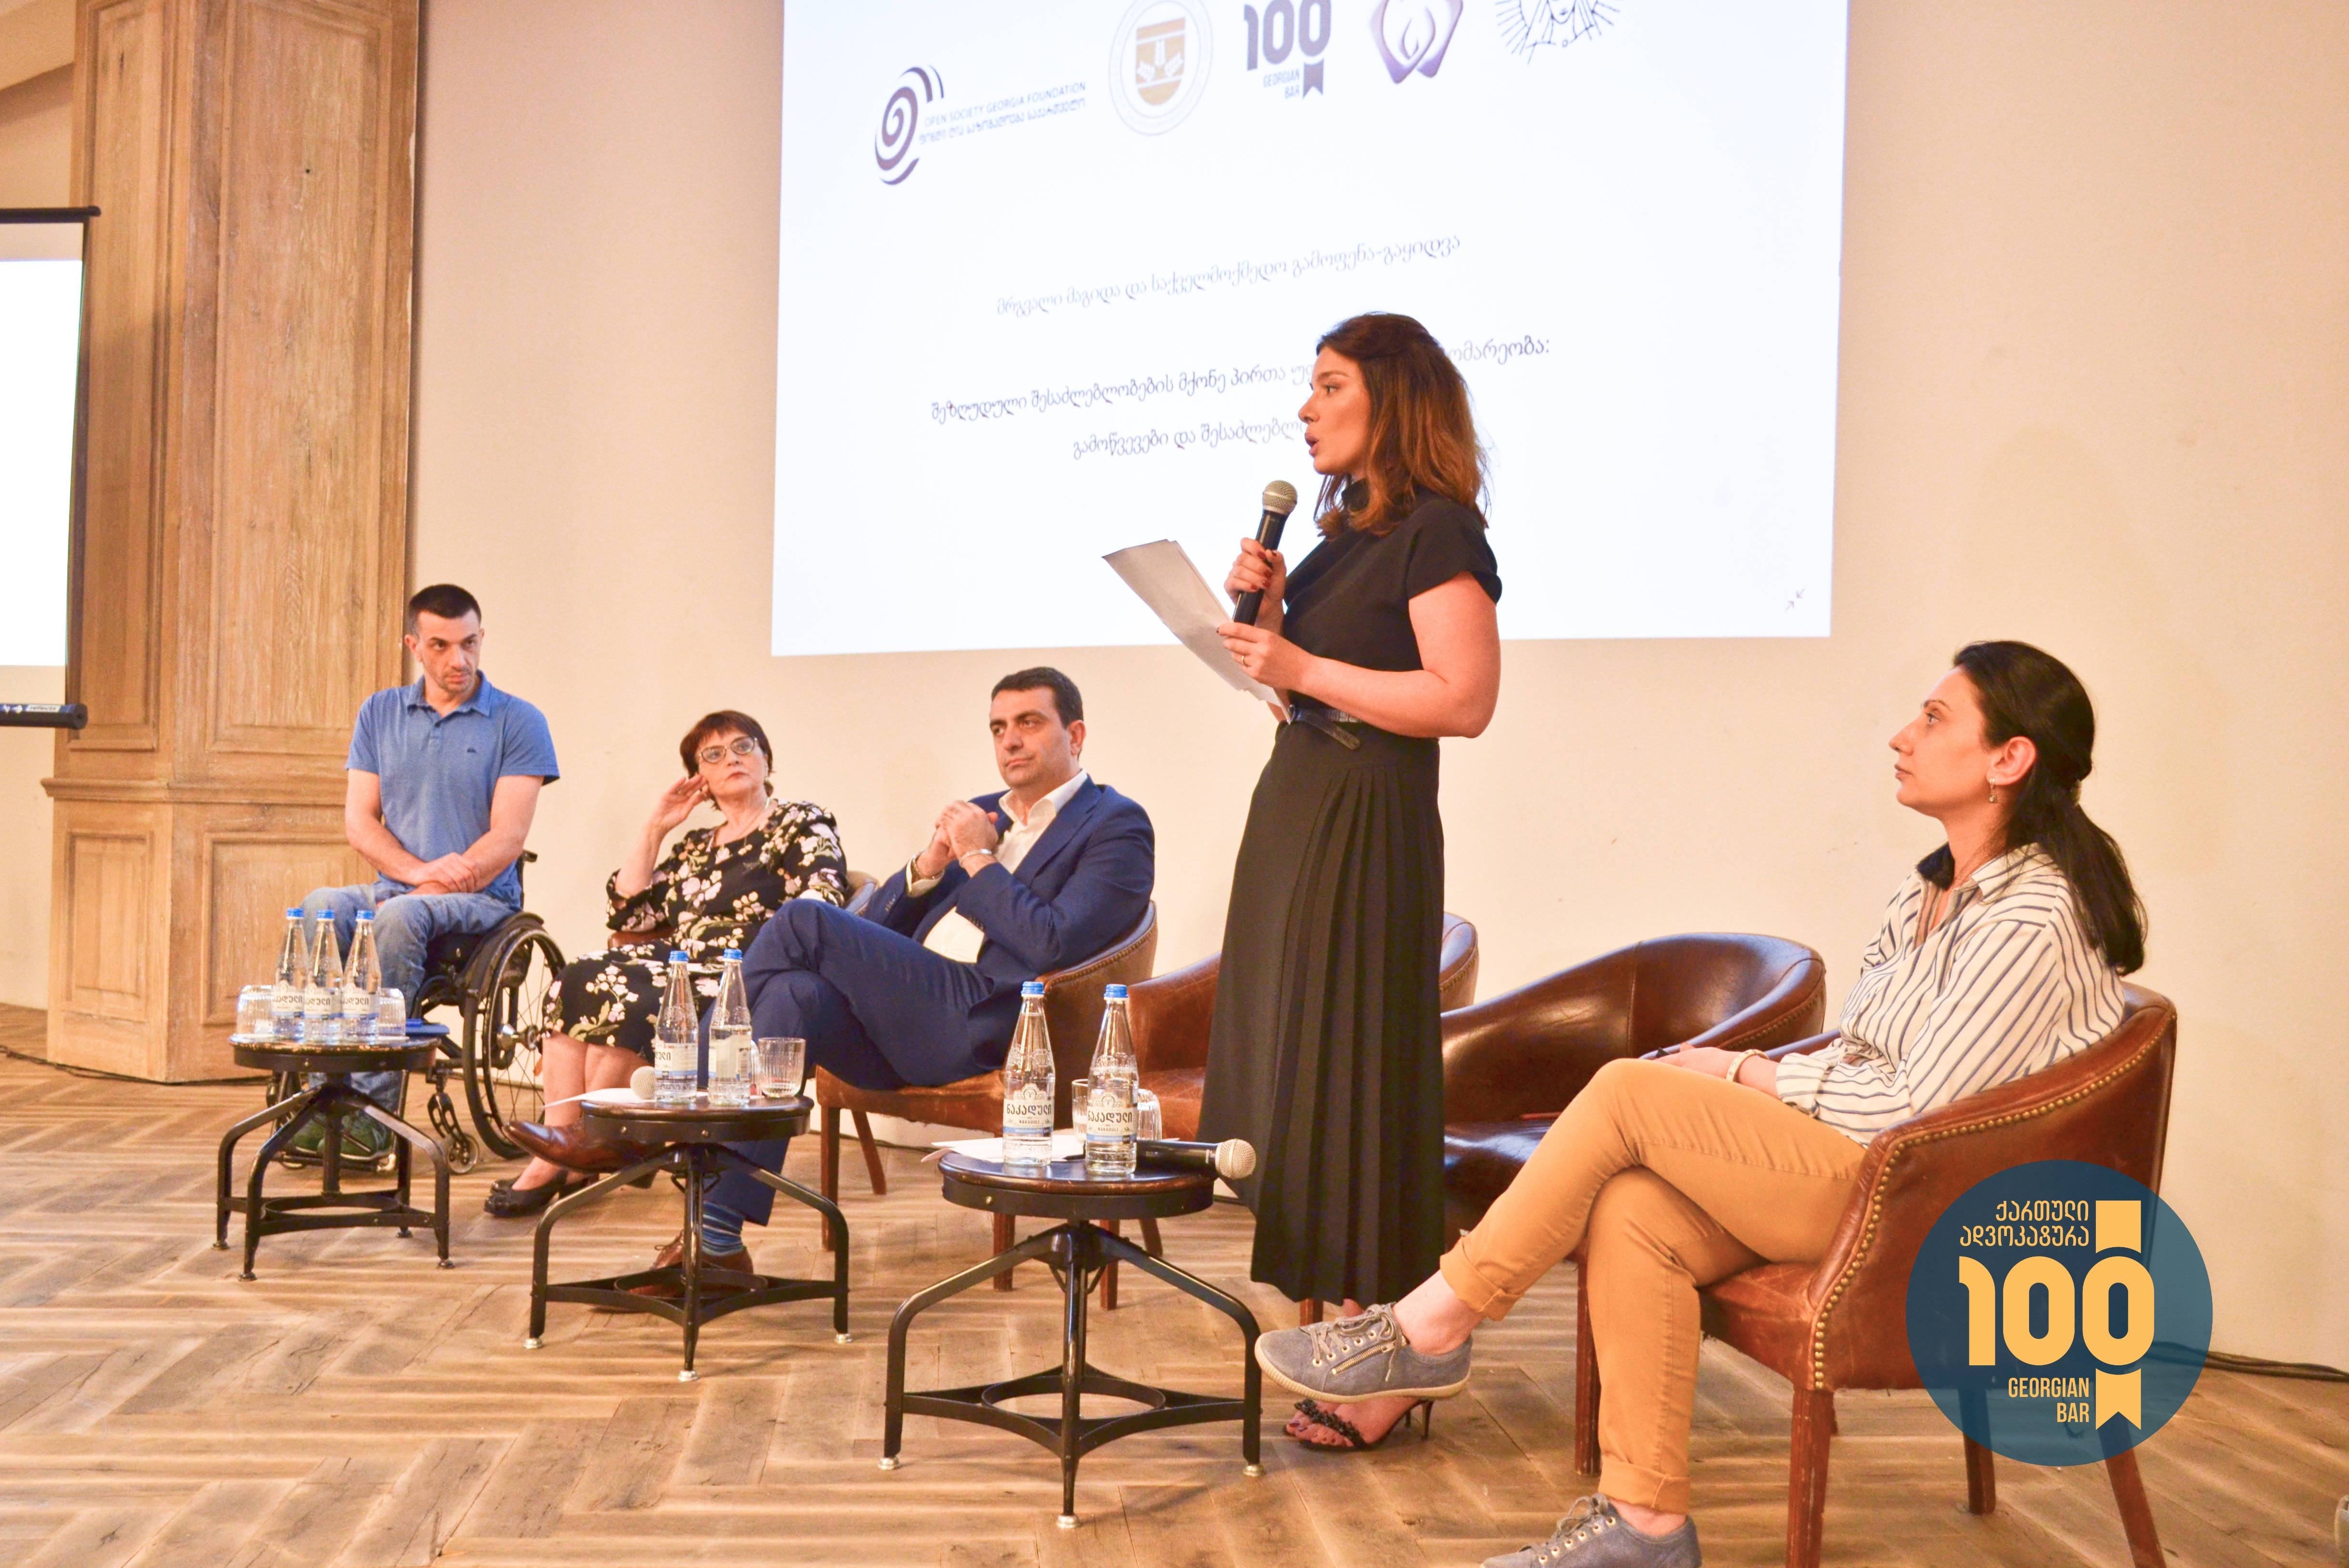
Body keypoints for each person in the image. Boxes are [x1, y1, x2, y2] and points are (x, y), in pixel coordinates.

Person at [1252, 641, 2145, 1568]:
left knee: (1628, 1089)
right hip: (1865, 1167)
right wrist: (1744, 1077)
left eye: (1932, 717)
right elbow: (1865, 1054)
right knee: (1633, 1208)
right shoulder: (1928, 890)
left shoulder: (2030, 915)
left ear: (2009, 758)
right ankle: (1643, 1525)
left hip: (1932, 1203)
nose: (1900, 735)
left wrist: (1742, 1072)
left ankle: (1428, 1323)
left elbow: (1911, 1102)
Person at [538, 667, 1154, 1280]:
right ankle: (718, 1239)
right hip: (914, 1025)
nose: (1010, 740)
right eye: (998, 728)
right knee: (791, 994)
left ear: (1075, 735)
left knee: (803, 919)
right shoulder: (986, 811)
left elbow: (1052, 943)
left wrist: (975, 857)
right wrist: (928, 867)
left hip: (996, 1026)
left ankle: (662, 1115)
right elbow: (881, 925)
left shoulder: (1114, 824)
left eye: (1029, 723)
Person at [1196, 312, 1501, 1442]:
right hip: (1301, 800)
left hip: (1368, 816)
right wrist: (1272, 619)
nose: (1305, 407)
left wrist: (1300, 658)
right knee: (1300, 1075)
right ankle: (1337, 1336)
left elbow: (1463, 699)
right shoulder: (1341, 539)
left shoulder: (1439, 529)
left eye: (1328, 385)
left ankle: (1391, 1360)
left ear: (1394, 397)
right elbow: (1306, 689)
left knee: (1355, 1073)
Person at [487, 710, 848, 1216]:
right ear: (700, 779)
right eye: (714, 755)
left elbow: (821, 907)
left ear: (766, 758)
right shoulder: (696, 846)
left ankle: (593, 1145)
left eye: (744, 746)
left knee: (633, 993)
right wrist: (655, 827)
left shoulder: (800, 823)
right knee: (579, 976)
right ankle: (566, 1147)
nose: (732, 759)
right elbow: (630, 913)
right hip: (682, 962)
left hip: (747, 974)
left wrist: (749, 956)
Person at [292, 584, 558, 1163]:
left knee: (400, 915)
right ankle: (320, 1101)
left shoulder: (518, 721)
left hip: (482, 900)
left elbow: (507, 838)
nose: (458, 659)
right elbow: (360, 822)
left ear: (482, 638)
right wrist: (416, 875)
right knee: (319, 906)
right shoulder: (379, 712)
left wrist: (425, 888)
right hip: (399, 886)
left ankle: (372, 1117)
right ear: (414, 645)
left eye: (469, 643)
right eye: (440, 645)